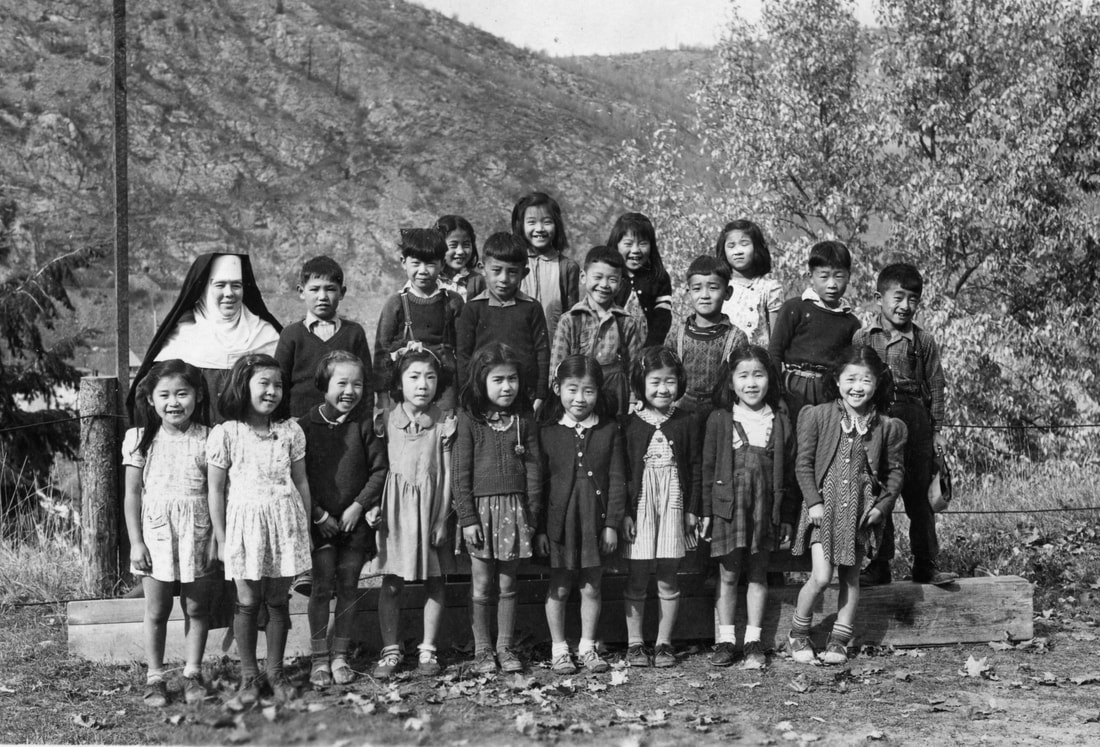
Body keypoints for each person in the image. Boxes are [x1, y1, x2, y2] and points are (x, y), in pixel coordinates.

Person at [787, 346, 906, 665]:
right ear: (837, 381)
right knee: (822, 576)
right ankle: (798, 633)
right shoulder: (819, 416)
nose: (857, 387)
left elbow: (895, 472)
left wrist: (882, 506)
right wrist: (813, 502)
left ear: (876, 384)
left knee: (850, 579)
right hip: (823, 511)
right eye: (850, 378)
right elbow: (804, 464)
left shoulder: (885, 426)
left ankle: (839, 640)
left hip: (860, 514)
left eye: (865, 380)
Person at [207, 354, 313, 707]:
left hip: (285, 524)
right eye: (263, 384)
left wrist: (305, 529)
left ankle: (275, 672)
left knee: (279, 600)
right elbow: (216, 490)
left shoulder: (289, 431)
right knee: (249, 600)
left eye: (278, 385)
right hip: (245, 527)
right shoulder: (228, 433)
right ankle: (249, 675)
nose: (271, 392)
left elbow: (301, 481)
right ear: (243, 386)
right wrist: (222, 539)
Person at [854, 263, 956, 586]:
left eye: (913, 299)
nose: (905, 306)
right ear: (878, 298)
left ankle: (925, 563)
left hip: (916, 423)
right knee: (878, 491)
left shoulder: (923, 341)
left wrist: (937, 430)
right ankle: (879, 564)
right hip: (875, 424)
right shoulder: (863, 337)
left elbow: (937, 386)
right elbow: (852, 380)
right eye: (898, 297)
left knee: (919, 497)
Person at [123, 359, 214, 707]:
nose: (174, 402)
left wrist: (215, 541)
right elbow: (132, 493)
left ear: (198, 396)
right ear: (150, 399)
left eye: (182, 394)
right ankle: (156, 677)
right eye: (165, 395)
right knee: (157, 609)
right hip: (157, 535)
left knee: (196, 607)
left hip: (199, 532)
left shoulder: (209, 438)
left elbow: (218, 491)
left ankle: (192, 673)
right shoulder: (139, 440)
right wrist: (136, 542)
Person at [700, 346, 796, 669]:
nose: (751, 383)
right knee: (728, 574)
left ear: (770, 378)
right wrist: (705, 512)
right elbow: (708, 468)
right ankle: (726, 640)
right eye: (743, 375)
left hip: (764, 511)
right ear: (731, 381)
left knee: (758, 573)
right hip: (729, 510)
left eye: (758, 374)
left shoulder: (779, 420)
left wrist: (784, 517)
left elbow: (790, 472)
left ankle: (753, 640)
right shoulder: (721, 419)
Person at [298, 351, 388, 688]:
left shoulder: (365, 425)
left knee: (349, 586)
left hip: (354, 524)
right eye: (342, 383)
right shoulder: (304, 426)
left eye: (358, 384)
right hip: (320, 523)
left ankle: (340, 656)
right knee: (321, 588)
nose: (350, 391)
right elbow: (298, 476)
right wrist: (319, 514)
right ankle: (319, 659)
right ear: (324, 384)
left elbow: (380, 470)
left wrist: (358, 505)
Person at [535, 355, 626, 675]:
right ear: (557, 389)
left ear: (599, 393)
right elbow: (539, 486)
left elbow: (617, 479)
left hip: (594, 522)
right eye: (572, 389)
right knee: (559, 585)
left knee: (591, 585)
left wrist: (612, 524)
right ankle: (559, 649)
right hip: (559, 524)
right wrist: (541, 530)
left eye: (588, 391)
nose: (580, 399)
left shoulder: (608, 430)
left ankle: (588, 646)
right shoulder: (547, 431)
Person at [453, 343, 541, 674]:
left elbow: (534, 470)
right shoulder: (469, 420)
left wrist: (530, 515)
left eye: (512, 379)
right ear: (481, 381)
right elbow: (460, 474)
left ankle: (505, 647)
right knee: (481, 583)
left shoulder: (524, 419)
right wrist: (467, 518)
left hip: (514, 513)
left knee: (507, 583)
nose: (507, 387)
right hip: (480, 513)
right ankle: (482, 649)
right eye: (498, 379)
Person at [373, 346, 456, 679]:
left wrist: (441, 518)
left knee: (435, 581)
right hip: (395, 513)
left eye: (430, 377)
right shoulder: (385, 421)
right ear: (399, 381)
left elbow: (447, 473)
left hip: (432, 509)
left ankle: (428, 649)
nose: (423, 385)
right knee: (392, 581)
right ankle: (391, 649)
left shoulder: (443, 423)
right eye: (414, 377)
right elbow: (378, 469)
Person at [129, 253, 281, 423]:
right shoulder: (181, 335)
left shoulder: (267, 334)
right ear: (205, 289)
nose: (229, 293)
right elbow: (150, 396)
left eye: (236, 285)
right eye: (220, 285)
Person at [620, 347, 700, 668]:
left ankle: (664, 642)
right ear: (641, 383)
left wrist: (692, 509)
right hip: (640, 506)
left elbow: (695, 467)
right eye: (655, 382)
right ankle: (635, 643)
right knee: (637, 577)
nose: (663, 389)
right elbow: (622, 472)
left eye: (669, 382)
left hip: (673, 504)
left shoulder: (686, 421)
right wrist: (623, 513)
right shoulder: (628, 424)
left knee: (668, 576)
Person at [768, 241, 861, 426]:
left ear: (849, 277)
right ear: (811, 276)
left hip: (829, 393)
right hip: (793, 388)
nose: (832, 284)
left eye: (839, 276)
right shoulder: (795, 308)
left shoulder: (851, 322)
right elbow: (775, 351)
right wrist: (775, 392)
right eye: (824, 276)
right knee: (792, 441)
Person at [455, 232, 551, 413]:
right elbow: (463, 356)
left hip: (524, 396)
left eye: (512, 272)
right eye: (496, 270)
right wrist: (467, 395)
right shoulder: (473, 309)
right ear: (483, 268)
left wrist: (540, 395)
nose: (504, 279)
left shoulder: (532, 308)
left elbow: (542, 353)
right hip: (482, 397)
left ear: (524, 273)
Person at [374, 228, 464, 412]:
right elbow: (382, 351)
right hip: (405, 387)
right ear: (403, 262)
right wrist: (382, 397)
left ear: (441, 264)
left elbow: (463, 350)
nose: (423, 271)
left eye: (430, 264)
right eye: (415, 263)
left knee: (443, 435)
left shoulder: (453, 301)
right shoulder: (396, 303)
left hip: (445, 387)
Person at [275, 255, 373, 418]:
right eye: (314, 289)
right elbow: (279, 382)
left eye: (330, 289)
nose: (322, 297)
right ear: (301, 291)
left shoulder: (354, 333)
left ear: (342, 292)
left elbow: (366, 383)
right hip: (300, 422)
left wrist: (364, 423)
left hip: (344, 423)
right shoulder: (291, 334)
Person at [550, 246, 643, 417]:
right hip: (579, 397)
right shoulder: (569, 320)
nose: (604, 285)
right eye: (598, 277)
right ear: (584, 277)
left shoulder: (626, 322)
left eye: (612, 279)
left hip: (616, 398)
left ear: (621, 284)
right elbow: (557, 367)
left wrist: (633, 399)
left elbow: (634, 367)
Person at [665, 256, 749, 431]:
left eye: (713, 288)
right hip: (680, 412)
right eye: (697, 288)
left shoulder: (736, 338)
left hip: (720, 414)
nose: (704, 295)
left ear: (727, 292)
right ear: (688, 292)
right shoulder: (676, 334)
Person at [511, 191, 580, 342]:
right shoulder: (513, 264)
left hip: (555, 347)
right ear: (521, 226)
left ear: (557, 225)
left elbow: (572, 316)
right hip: (518, 346)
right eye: (531, 222)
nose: (540, 228)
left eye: (547, 222)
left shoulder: (567, 267)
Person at [607, 212, 673, 347]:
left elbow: (663, 318)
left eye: (643, 243)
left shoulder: (658, 277)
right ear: (616, 244)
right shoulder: (608, 277)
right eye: (628, 243)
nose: (636, 250)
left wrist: (650, 348)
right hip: (610, 350)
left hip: (646, 350)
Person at [715, 220, 783, 344]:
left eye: (744, 244)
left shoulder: (769, 287)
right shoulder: (719, 286)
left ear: (756, 247)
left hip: (759, 358)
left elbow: (776, 336)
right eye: (731, 246)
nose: (738, 251)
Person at [435, 215, 485, 301]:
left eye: (466, 245)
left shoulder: (477, 281)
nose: (460, 251)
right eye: (453, 245)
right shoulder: (430, 278)